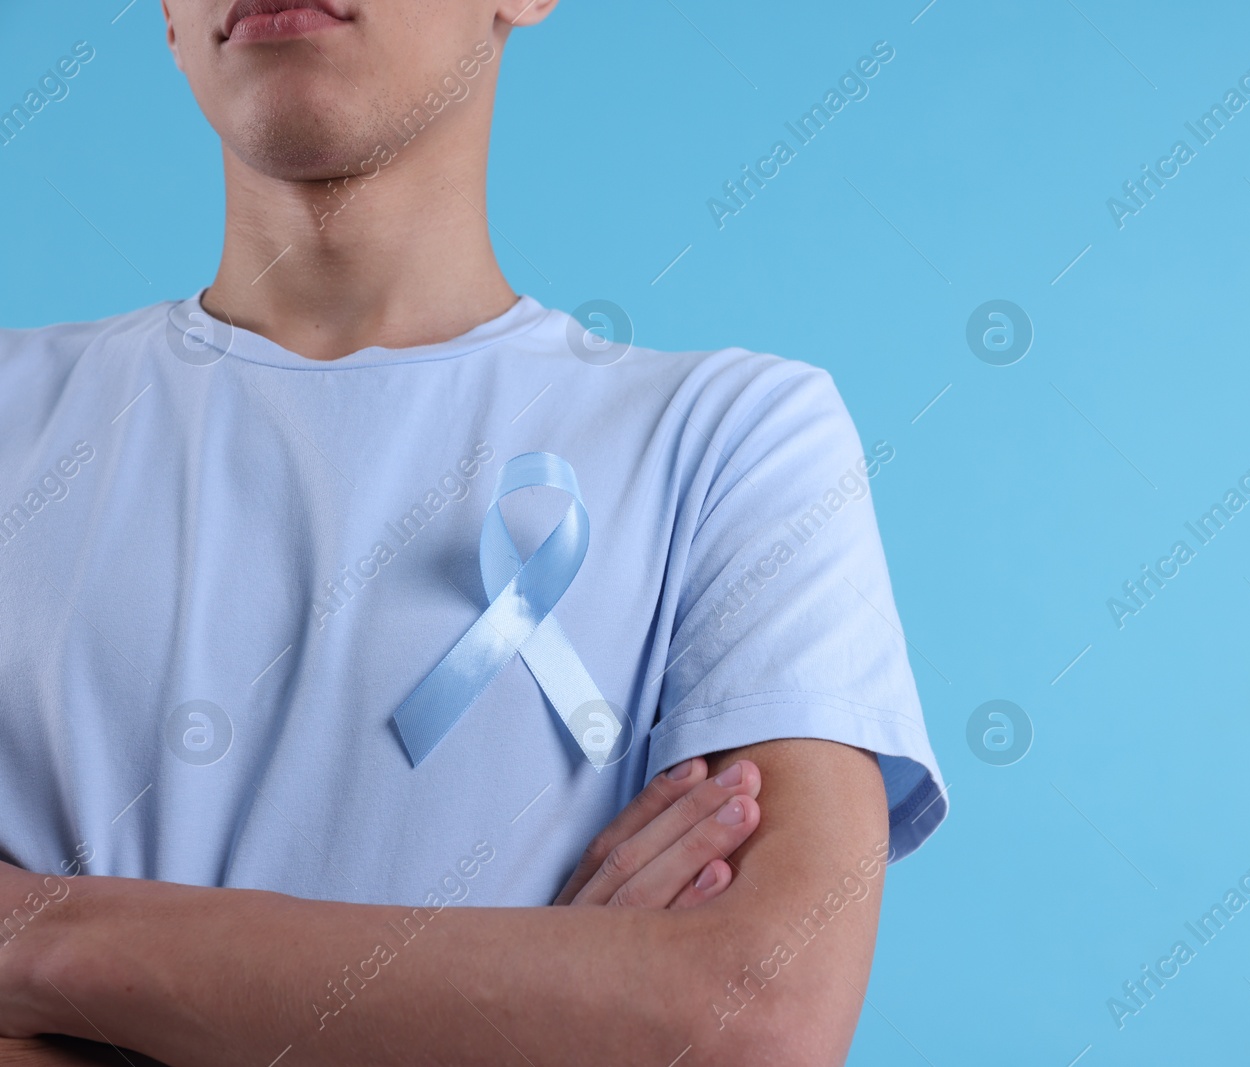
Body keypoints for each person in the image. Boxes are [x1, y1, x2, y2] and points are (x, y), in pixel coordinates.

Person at [0, 2, 946, 1064]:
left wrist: (39, 940)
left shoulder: (736, 437)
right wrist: (549, 1009)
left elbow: (760, 1014)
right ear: (166, 17)